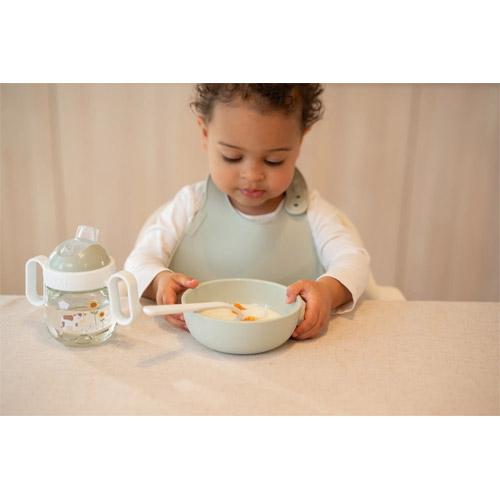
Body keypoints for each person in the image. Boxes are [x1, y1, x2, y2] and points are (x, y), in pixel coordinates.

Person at [124, 84, 370, 340]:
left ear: (300, 141)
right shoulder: (190, 205)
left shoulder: (314, 213)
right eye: (232, 156)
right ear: (205, 134)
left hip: (290, 352)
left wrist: (328, 292)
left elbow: (354, 261)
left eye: (274, 160)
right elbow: (139, 262)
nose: (252, 175)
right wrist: (160, 281)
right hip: (194, 348)